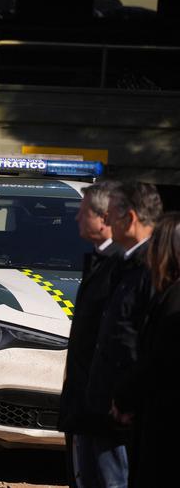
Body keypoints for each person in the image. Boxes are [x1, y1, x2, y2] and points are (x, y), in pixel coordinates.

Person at [85, 182, 161, 485]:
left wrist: (126, 398)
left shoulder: (151, 269)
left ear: (129, 218)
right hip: (109, 403)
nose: (106, 220)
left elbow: (142, 343)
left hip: (127, 410)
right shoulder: (124, 264)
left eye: (111, 214)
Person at [58, 181, 126, 485]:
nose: (76, 219)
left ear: (105, 218)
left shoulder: (120, 265)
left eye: (83, 212)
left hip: (104, 401)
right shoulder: (99, 260)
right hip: (85, 397)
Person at [130, 212, 180, 487]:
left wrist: (127, 398)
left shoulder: (174, 300)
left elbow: (157, 358)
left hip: (166, 422)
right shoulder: (167, 293)